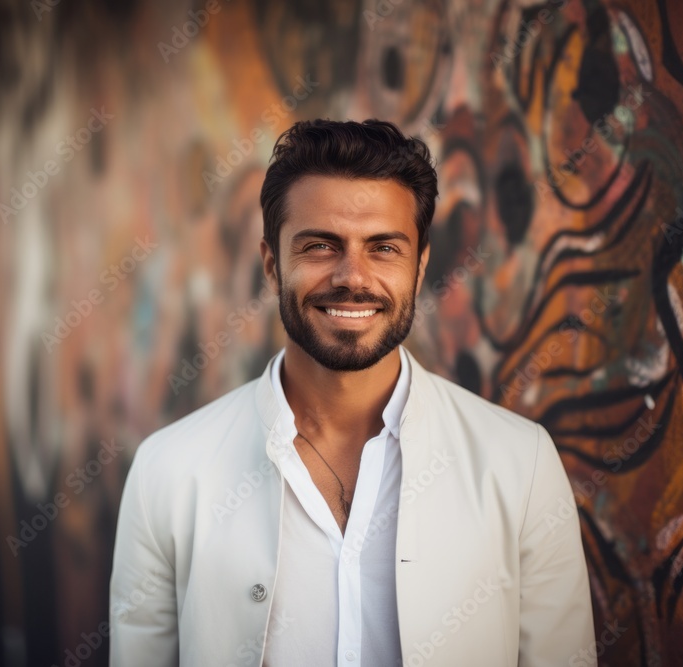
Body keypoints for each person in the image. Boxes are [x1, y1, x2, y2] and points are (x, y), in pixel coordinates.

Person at [110, 119, 594, 666]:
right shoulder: (168, 470)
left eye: (384, 248)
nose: (352, 277)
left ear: (420, 266)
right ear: (273, 266)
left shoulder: (520, 463)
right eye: (320, 246)